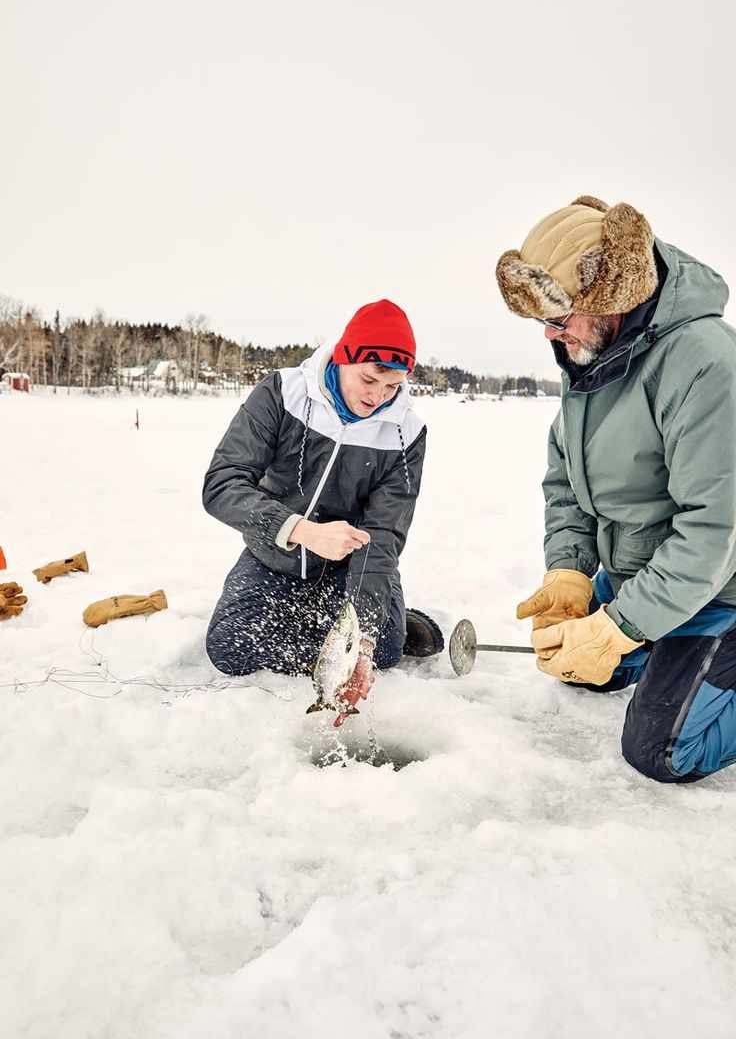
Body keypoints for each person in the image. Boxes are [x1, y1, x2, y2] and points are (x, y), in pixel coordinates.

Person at [496, 195, 736, 783]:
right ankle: (661, 649)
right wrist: (570, 572)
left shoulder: (707, 365)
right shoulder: (591, 355)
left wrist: (619, 627)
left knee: (660, 751)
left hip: (721, 589)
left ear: (610, 295)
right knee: (576, 666)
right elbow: (565, 478)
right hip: (641, 569)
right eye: (542, 321)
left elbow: (713, 531)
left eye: (559, 316)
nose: (551, 335)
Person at [203, 299, 443, 716]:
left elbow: (383, 532)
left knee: (382, 649)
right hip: (274, 555)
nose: (378, 397)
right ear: (344, 358)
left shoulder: (407, 432)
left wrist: (362, 640)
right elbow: (222, 485)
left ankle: (385, 621)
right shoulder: (282, 393)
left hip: (349, 567)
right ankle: (331, 626)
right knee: (229, 647)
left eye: (392, 387)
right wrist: (302, 530)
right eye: (369, 380)